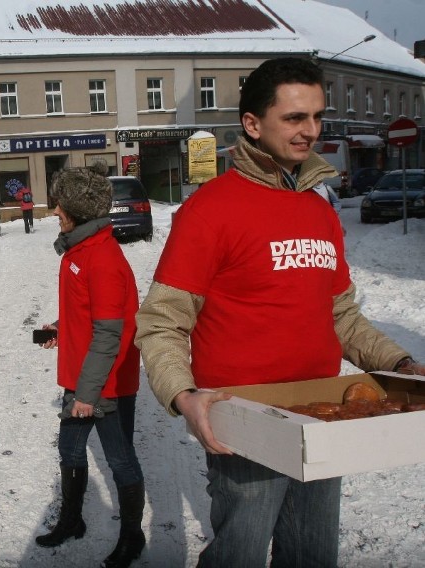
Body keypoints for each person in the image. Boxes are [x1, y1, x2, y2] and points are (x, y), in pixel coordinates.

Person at [135, 57, 424, 567]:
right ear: (253, 123)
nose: (309, 131)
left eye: (316, 116)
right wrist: (184, 397)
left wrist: (402, 366)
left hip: (323, 414)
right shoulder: (211, 210)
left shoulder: (319, 209)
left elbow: (342, 316)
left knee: (312, 556)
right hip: (245, 422)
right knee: (239, 555)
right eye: (294, 118)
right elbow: (162, 322)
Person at [35, 163, 146, 568]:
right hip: (82, 376)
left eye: (59, 204)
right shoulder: (80, 251)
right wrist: (63, 328)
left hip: (105, 383)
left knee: (120, 459)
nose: (54, 211)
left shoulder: (102, 259)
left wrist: (87, 394)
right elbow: (91, 317)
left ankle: (132, 538)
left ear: (77, 210)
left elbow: (109, 335)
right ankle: (72, 520)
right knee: (70, 449)